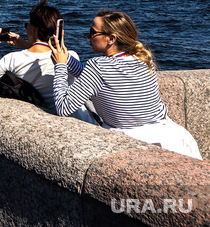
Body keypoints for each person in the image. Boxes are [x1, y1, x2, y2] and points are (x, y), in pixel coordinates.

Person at [49, 10, 202, 160]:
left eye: (93, 32)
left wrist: (60, 65)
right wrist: (65, 57)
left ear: (111, 39)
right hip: (173, 139)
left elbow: (63, 107)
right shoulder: (142, 59)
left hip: (134, 145)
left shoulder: (98, 66)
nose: (88, 36)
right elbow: (94, 79)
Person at [0, 0, 96, 124]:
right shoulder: (71, 56)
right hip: (82, 120)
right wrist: (25, 44)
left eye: (27, 25)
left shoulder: (12, 59)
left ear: (33, 29)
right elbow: (45, 54)